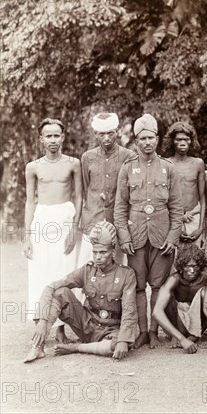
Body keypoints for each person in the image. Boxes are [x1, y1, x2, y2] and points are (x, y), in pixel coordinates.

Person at [114, 113, 184, 349]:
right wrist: (123, 236)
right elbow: (120, 206)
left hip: (162, 237)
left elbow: (176, 206)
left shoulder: (168, 168)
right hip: (135, 237)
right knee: (137, 285)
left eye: (151, 138)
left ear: (157, 139)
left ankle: (154, 331)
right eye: (142, 138)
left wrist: (173, 237)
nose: (147, 143)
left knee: (157, 286)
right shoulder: (127, 168)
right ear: (136, 141)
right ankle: (142, 331)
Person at [23, 221, 137, 363]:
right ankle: (38, 347)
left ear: (113, 253)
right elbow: (51, 287)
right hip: (86, 325)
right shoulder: (87, 270)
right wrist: (42, 319)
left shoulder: (126, 274)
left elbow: (129, 311)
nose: (98, 257)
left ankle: (77, 347)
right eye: (95, 252)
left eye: (103, 252)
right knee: (61, 292)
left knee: (117, 345)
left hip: (110, 331)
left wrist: (123, 340)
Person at [23, 118, 83, 344]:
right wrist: (27, 237)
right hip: (42, 219)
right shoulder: (33, 167)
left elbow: (79, 197)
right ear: (41, 139)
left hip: (65, 217)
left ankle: (60, 328)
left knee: (63, 273)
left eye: (56, 135)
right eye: (48, 136)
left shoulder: (73, 163)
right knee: (40, 271)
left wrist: (74, 228)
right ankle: (40, 322)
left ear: (63, 137)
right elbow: (30, 201)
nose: (53, 140)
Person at [80, 113, 136, 264]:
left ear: (117, 132)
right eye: (102, 134)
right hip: (93, 217)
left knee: (116, 264)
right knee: (89, 263)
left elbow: (132, 191)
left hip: (118, 219)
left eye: (110, 133)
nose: (106, 138)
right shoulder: (87, 157)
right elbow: (85, 189)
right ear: (95, 134)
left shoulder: (128, 156)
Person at [152, 243, 207, 354]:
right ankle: (176, 335)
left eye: (195, 266)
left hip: (197, 323)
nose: (192, 271)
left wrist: (198, 332)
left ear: (200, 266)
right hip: (176, 323)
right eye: (187, 266)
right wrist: (181, 339)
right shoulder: (174, 279)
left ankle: (195, 335)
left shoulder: (205, 278)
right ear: (181, 267)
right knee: (169, 299)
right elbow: (156, 312)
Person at [164, 122, 206, 246]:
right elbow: (163, 198)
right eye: (179, 139)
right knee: (174, 261)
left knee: (195, 260)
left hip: (195, 217)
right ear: (172, 141)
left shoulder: (198, 164)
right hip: (173, 219)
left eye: (186, 139)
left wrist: (200, 227)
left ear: (191, 141)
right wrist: (176, 222)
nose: (183, 143)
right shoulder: (166, 164)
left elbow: (203, 198)